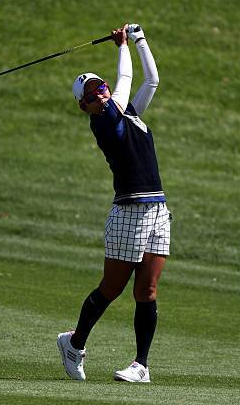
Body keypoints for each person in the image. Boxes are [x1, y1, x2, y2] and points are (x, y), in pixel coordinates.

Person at [57, 24, 170, 383]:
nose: (100, 94)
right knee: (112, 288)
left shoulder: (130, 114)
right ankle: (74, 344)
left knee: (147, 289)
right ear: (84, 106)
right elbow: (125, 78)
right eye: (92, 93)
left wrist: (139, 39)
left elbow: (150, 81)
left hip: (157, 210)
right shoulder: (104, 122)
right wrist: (122, 46)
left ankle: (141, 365)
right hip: (128, 212)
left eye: (100, 87)